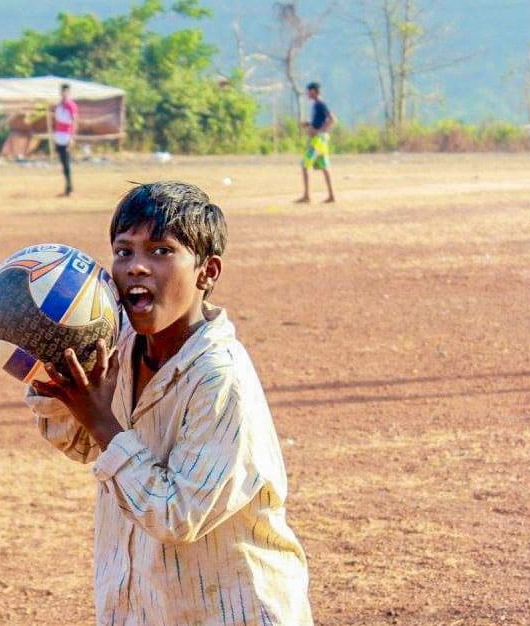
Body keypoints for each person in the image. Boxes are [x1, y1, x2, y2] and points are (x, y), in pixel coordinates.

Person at [26, 182, 312, 624]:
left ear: (207, 272)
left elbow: (176, 515)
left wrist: (103, 422)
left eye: (161, 251)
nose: (136, 267)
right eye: (124, 251)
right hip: (144, 608)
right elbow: (80, 444)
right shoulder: (115, 345)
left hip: (231, 612)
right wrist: (55, 375)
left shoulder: (219, 378)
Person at [297, 82, 336, 203]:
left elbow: (332, 119)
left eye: (309, 91)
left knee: (305, 164)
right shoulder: (316, 105)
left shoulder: (320, 104)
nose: (308, 93)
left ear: (314, 91)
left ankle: (307, 196)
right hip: (320, 141)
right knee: (324, 167)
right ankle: (331, 196)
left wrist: (319, 131)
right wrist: (309, 124)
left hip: (318, 141)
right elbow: (319, 121)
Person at [53, 83, 78, 197]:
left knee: (66, 163)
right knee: (63, 163)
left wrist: (72, 137)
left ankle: (70, 189)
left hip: (66, 136)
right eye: (62, 91)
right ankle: (67, 188)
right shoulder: (59, 105)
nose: (64, 94)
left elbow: (74, 121)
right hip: (58, 136)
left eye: (66, 92)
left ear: (68, 92)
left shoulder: (71, 105)